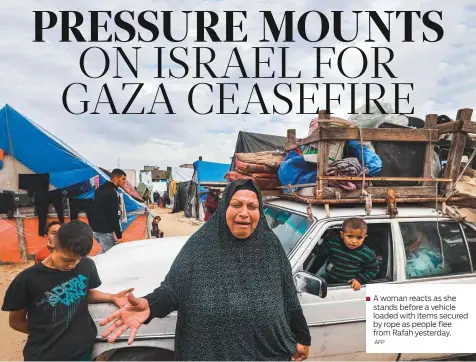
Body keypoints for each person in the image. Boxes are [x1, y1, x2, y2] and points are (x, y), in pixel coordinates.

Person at [99, 179, 311, 361]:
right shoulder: (202, 244)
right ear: (224, 208)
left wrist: (303, 337)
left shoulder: (270, 246)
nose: (244, 213)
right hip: (212, 353)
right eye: (236, 205)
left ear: (259, 211)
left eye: (252, 207)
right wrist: (149, 306)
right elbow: (173, 290)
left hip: (267, 353)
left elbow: (289, 296)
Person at [1, 220, 134, 361]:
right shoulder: (27, 279)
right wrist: (46, 333)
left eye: (77, 260)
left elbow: (83, 292)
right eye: (66, 260)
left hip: (83, 350)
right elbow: (15, 321)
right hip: (45, 355)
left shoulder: (86, 265)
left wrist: (111, 297)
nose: (72, 265)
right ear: (51, 245)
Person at [312, 218, 379, 291]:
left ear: (364, 237)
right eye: (350, 236)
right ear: (342, 235)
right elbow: (320, 255)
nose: (354, 241)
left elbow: (373, 269)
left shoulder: (368, 254)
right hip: (329, 278)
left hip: (349, 285)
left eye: (359, 237)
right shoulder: (332, 243)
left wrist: (360, 279)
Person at [90, 169, 126, 254]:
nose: (124, 182)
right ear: (116, 179)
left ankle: (92, 264)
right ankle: (90, 266)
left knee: (105, 252)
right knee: (112, 255)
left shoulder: (99, 189)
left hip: (96, 229)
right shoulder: (112, 193)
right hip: (104, 231)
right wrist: (119, 235)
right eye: (123, 179)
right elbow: (113, 215)